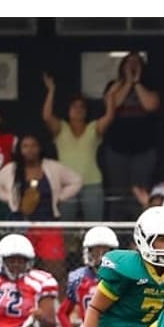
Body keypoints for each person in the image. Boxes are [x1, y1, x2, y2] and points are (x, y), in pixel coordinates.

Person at [0, 133, 82, 285]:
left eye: (33, 145)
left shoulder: (51, 167)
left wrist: (59, 196)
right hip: (20, 225)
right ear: (20, 149)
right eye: (25, 146)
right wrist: (10, 199)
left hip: (48, 223)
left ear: (40, 148)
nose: (30, 150)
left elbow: (76, 180)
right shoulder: (12, 169)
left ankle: (57, 305)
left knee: (56, 268)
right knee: (18, 265)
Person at [41, 72, 116, 222]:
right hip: (66, 183)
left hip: (92, 182)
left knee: (94, 225)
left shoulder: (93, 127)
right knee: (66, 226)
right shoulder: (61, 128)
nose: (78, 109)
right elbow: (47, 116)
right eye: (74, 106)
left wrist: (110, 98)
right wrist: (51, 91)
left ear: (87, 111)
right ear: (68, 110)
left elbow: (109, 117)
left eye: (82, 107)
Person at [101, 52, 160, 221]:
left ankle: (139, 226)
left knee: (140, 190)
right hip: (117, 148)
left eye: (136, 63)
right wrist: (127, 82)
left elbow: (151, 105)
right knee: (118, 191)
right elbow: (113, 103)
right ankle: (118, 230)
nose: (133, 67)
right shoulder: (114, 85)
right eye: (129, 63)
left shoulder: (149, 85)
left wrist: (137, 83)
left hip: (144, 148)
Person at [58, 226, 119, 327]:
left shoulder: (121, 276)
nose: (101, 256)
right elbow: (63, 313)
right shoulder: (78, 277)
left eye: (105, 251)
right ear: (88, 251)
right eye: (96, 250)